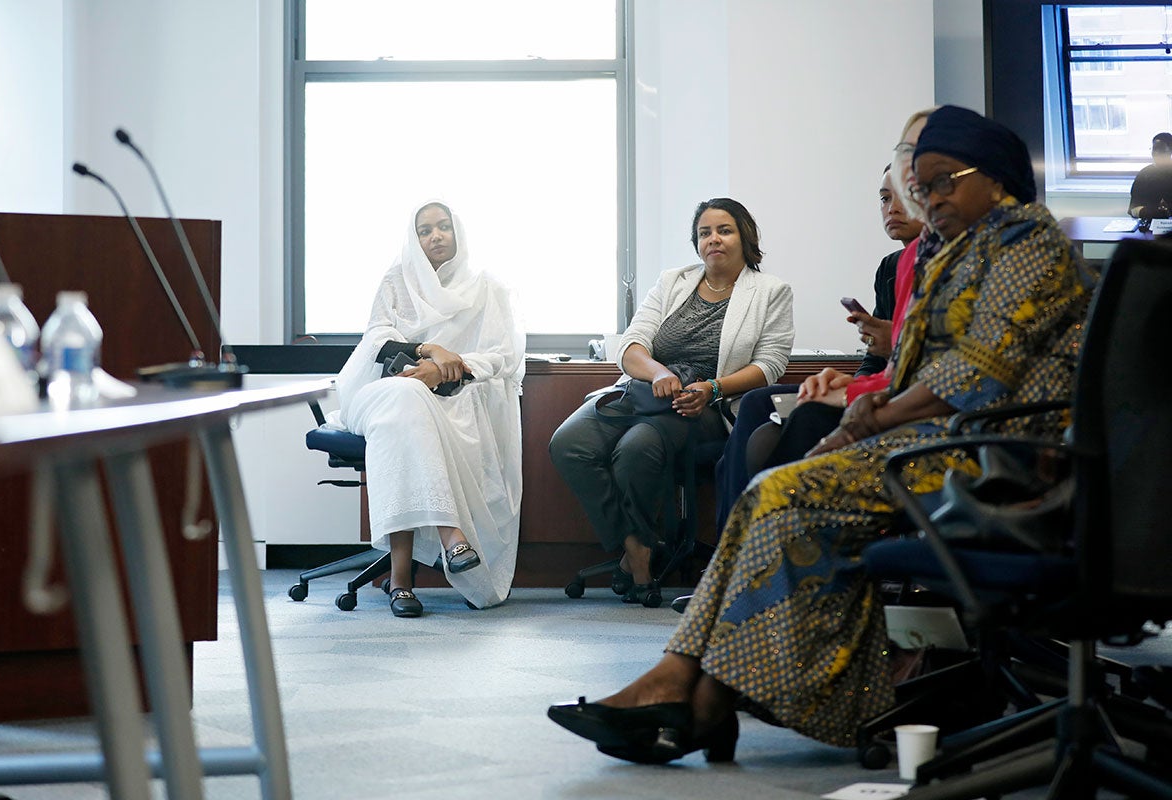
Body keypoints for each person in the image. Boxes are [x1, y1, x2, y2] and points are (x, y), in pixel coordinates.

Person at [547, 106, 1097, 762]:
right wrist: (861, 415)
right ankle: (690, 687)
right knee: (768, 491)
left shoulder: (1024, 239)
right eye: (924, 187)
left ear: (999, 178)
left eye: (947, 181)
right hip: (941, 444)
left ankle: (696, 696)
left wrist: (873, 415)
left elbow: (980, 373)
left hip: (996, 459)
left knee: (784, 498)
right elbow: (914, 369)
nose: (933, 199)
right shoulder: (957, 252)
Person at [549, 198, 794, 603]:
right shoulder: (673, 281)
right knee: (569, 443)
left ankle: (641, 559)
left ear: (745, 236)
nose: (713, 239)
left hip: (705, 404)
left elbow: (771, 364)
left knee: (636, 449)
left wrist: (712, 388)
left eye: (725, 230)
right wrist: (658, 372)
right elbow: (631, 344)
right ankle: (635, 545)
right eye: (704, 232)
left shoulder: (770, 292)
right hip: (643, 391)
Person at [335, 200, 525, 617]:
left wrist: (444, 372)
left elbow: (502, 354)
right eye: (425, 230)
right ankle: (450, 535)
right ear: (414, 238)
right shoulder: (397, 278)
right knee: (405, 397)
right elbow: (377, 338)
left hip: (449, 397)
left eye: (443, 227)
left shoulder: (486, 286)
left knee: (409, 409)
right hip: (377, 391)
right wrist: (430, 350)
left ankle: (400, 580)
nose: (435, 236)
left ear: (458, 233)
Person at [712, 165, 923, 534]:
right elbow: (876, 358)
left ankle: (769, 536)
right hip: (883, 381)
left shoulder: (944, 264)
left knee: (805, 415)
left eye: (903, 197)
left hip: (909, 393)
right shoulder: (890, 267)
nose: (892, 208)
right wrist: (845, 382)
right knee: (758, 401)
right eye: (884, 198)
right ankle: (732, 539)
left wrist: (893, 347)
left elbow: (938, 359)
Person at [1128, 132, 1172, 222]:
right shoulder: (1144, 174)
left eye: (1161, 150)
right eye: (1154, 149)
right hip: (1148, 226)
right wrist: (1150, 212)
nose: (1156, 153)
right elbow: (1133, 209)